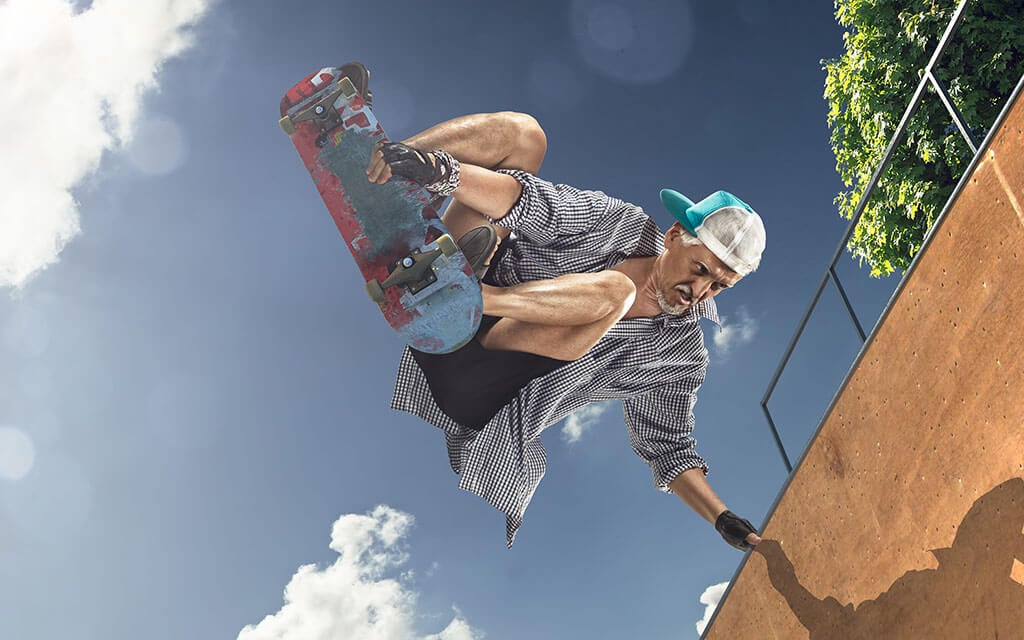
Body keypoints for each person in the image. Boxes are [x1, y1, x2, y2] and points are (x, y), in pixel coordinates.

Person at [350, 64, 764, 550]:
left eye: (719, 286)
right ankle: (384, 172)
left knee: (614, 292)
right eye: (699, 269)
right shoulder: (620, 224)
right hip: (453, 305)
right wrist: (442, 171)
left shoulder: (681, 356)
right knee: (525, 138)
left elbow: (669, 448)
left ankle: (463, 293)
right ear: (675, 235)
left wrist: (721, 519)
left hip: (488, 387)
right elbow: (535, 204)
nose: (700, 291)